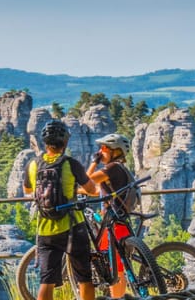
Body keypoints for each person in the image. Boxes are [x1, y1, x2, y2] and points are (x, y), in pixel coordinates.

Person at [22, 120, 99, 300]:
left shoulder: (33, 165)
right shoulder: (71, 164)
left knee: (46, 281)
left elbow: (27, 191)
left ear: (45, 143)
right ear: (65, 142)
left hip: (45, 229)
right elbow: (91, 190)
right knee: (84, 278)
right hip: (73, 227)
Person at [86, 133, 135, 298]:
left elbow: (88, 179)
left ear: (114, 151)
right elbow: (94, 190)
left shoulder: (113, 168)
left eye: (103, 148)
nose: (100, 152)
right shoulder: (118, 169)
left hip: (115, 224)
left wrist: (94, 161)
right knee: (116, 267)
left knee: (117, 269)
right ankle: (117, 297)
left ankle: (118, 298)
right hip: (118, 221)